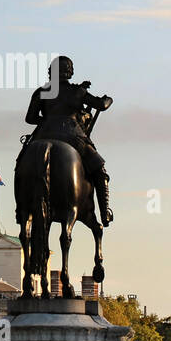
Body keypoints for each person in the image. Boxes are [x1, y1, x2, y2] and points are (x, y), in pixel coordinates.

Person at [20, 56, 114, 225]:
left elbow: (30, 118)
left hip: (44, 134)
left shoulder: (41, 92)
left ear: (51, 72)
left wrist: (47, 122)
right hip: (73, 136)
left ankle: (21, 209)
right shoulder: (78, 91)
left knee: (21, 163)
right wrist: (108, 100)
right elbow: (101, 105)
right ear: (70, 72)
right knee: (100, 169)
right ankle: (105, 212)